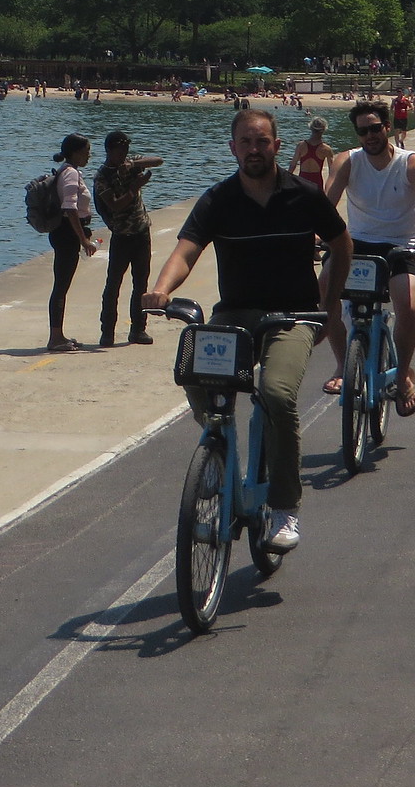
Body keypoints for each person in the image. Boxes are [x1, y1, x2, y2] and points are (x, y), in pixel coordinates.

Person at [143, 107, 351, 554]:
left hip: (293, 316)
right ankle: (218, 447)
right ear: (233, 148)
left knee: (277, 394)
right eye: (246, 142)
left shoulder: (303, 195)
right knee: (195, 370)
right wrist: (161, 288)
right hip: (235, 313)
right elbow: (186, 250)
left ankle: (283, 506)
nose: (254, 149)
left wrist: (328, 306)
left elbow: (340, 244)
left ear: (277, 146)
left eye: (262, 141)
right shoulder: (218, 199)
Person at [322, 100, 415, 416]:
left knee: (407, 304)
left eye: (376, 128)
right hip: (356, 245)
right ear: (357, 134)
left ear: (387, 127)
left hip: (403, 246)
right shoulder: (348, 161)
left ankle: (402, 374)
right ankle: (340, 363)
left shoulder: (410, 163)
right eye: (363, 131)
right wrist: (314, 237)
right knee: (323, 296)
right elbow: (323, 206)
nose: (370, 135)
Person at [93, 131, 164, 347]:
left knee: (141, 283)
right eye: (119, 150)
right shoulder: (102, 176)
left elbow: (158, 161)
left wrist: (134, 164)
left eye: (126, 150)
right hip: (121, 235)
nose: (123, 154)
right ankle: (107, 332)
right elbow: (113, 205)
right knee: (113, 284)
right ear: (109, 151)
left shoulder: (130, 162)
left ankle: (138, 329)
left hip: (141, 231)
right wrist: (134, 189)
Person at [45, 133, 100, 353]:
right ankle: (55, 338)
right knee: (61, 286)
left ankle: (59, 334)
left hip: (66, 234)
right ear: (76, 152)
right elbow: (70, 208)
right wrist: (84, 240)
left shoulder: (70, 172)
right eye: (87, 151)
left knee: (62, 285)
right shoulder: (70, 174)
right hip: (66, 234)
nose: (89, 155)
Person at [289, 117, 334, 191]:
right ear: (323, 130)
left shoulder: (301, 146)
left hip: (302, 181)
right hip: (317, 183)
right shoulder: (326, 149)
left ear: (311, 128)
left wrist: (286, 180)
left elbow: (292, 165)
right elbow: (332, 171)